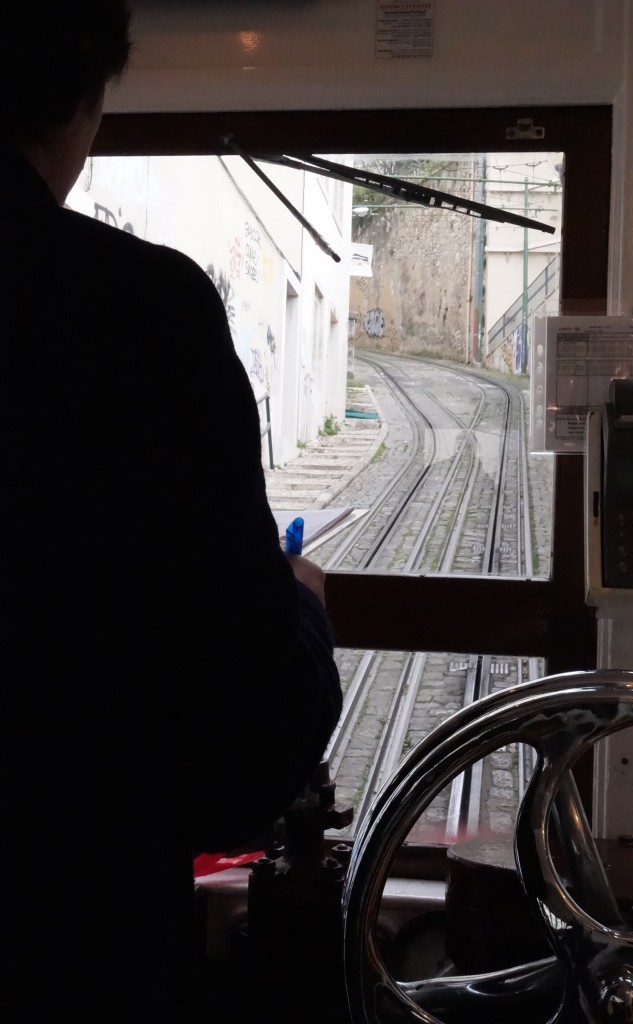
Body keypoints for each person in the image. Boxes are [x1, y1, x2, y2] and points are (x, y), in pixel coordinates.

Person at [0, 2, 342, 1020]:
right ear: (80, 98)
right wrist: (306, 615)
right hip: (67, 934)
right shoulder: (138, 312)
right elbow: (246, 728)